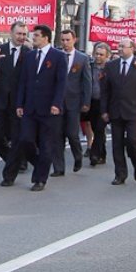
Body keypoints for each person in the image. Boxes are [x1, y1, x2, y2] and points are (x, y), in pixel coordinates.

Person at [14, 24, 67, 191]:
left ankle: (40, 179)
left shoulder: (58, 56)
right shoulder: (29, 56)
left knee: (46, 144)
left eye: (36, 35)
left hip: (49, 108)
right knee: (25, 139)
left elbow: (61, 83)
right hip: (30, 106)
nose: (33, 37)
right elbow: (23, 81)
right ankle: (40, 163)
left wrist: (56, 104)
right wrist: (20, 104)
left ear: (45, 37)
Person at [0, 21, 32, 187]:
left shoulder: (29, 52)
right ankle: (15, 159)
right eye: (19, 34)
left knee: (17, 138)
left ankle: (9, 175)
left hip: (18, 103)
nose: (21, 37)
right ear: (11, 33)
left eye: (24, 34)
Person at [101, 38, 136, 185]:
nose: (120, 48)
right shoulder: (111, 66)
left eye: (123, 46)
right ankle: (120, 174)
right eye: (119, 46)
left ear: (132, 48)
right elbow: (106, 90)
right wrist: (104, 110)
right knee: (116, 144)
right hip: (116, 110)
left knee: (133, 141)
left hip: (134, 111)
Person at [52, 29, 92, 176]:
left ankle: (78, 156)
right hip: (57, 102)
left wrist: (86, 102)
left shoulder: (82, 58)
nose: (65, 43)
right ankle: (59, 167)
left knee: (72, 133)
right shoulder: (56, 55)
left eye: (68, 40)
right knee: (57, 135)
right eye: (63, 40)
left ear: (74, 40)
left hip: (74, 102)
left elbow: (87, 82)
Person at [88, 42, 112, 166]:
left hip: (105, 103)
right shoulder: (89, 66)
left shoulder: (111, 68)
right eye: (96, 54)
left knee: (99, 128)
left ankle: (94, 154)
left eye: (101, 55)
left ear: (107, 55)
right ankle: (102, 154)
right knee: (95, 129)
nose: (98, 56)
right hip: (92, 102)